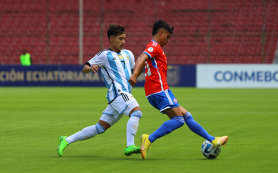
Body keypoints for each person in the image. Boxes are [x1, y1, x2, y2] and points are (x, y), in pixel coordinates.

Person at [128, 20, 229, 159]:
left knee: (187, 116)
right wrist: (133, 75)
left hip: (154, 92)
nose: (168, 41)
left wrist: (135, 76)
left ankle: (213, 139)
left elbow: (144, 63)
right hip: (160, 90)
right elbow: (141, 57)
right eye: (167, 37)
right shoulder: (154, 46)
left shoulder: (154, 48)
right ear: (161, 32)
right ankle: (149, 139)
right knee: (179, 120)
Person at [57, 24, 143, 157]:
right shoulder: (104, 55)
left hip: (125, 94)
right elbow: (85, 68)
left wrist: (136, 75)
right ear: (111, 39)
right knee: (136, 113)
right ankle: (129, 145)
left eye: (124, 38)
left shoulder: (129, 54)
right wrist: (90, 68)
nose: (123, 41)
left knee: (100, 128)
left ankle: (66, 140)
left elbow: (133, 73)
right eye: (120, 39)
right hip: (117, 93)